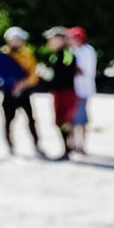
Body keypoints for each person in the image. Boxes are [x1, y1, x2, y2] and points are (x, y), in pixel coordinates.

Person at [0, 26, 42, 157]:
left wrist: (23, 84)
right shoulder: (2, 55)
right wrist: (14, 85)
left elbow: (33, 73)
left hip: (24, 92)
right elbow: (1, 74)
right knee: (9, 121)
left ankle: (37, 144)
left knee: (31, 119)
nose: (17, 42)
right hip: (9, 92)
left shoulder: (27, 54)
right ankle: (10, 146)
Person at [36, 28, 77, 160]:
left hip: (65, 91)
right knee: (60, 121)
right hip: (58, 91)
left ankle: (67, 149)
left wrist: (47, 74)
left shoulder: (66, 54)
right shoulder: (55, 55)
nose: (50, 42)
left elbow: (65, 72)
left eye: (52, 39)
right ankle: (67, 148)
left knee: (65, 120)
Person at [66, 26, 97, 154]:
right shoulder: (70, 51)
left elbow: (82, 70)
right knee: (71, 120)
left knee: (81, 119)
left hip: (82, 90)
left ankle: (82, 145)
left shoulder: (87, 51)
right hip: (72, 89)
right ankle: (73, 144)